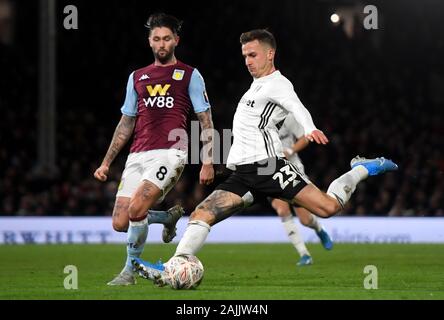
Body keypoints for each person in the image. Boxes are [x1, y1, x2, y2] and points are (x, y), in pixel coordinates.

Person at [132, 29, 397, 284]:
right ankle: (171, 267)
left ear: (270, 54)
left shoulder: (278, 84)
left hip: (268, 168)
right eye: (245, 55)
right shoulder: (255, 86)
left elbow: (296, 106)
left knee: (328, 208)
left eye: (253, 55)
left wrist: (309, 128)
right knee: (202, 213)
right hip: (245, 174)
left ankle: (361, 169)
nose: (247, 61)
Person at [93, 13, 215, 286]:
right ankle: (165, 217)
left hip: (171, 152)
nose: (162, 44)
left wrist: (208, 160)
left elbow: (205, 119)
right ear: (149, 42)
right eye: (157, 39)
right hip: (138, 154)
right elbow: (126, 122)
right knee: (120, 222)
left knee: (136, 209)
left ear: (176, 41)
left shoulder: (190, 75)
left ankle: (129, 272)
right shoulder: (137, 77)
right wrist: (106, 163)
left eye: (167, 39)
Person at [271, 114, 333, 267]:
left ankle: (318, 228)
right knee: (282, 209)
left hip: (292, 170)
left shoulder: (287, 115)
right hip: (270, 171)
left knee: (305, 220)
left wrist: (290, 150)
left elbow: (306, 137)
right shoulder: (256, 116)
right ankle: (304, 254)